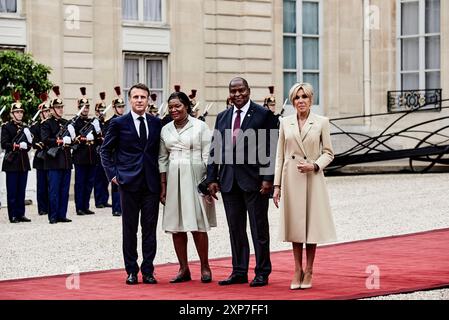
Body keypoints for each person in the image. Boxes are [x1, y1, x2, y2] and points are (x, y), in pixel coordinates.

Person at [206, 77, 278, 287]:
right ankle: (239, 271)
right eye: (233, 91)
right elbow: (215, 148)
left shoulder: (264, 115)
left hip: (255, 181)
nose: (237, 94)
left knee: (259, 229)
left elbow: (270, 148)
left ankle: (262, 272)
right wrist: (212, 178)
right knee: (235, 229)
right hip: (229, 181)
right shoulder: (222, 117)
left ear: (249, 90)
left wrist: (268, 178)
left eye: (241, 90)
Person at [273, 82, 336, 290]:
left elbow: (329, 152)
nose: (301, 101)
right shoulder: (285, 122)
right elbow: (280, 155)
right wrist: (277, 186)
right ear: (292, 101)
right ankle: (297, 269)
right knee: (295, 226)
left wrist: (315, 165)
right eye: (297, 98)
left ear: (311, 99)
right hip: (291, 177)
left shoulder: (321, 122)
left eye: (305, 97)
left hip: (312, 177)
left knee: (311, 226)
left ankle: (309, 269)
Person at [101, 83, 162, 285]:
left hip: (151, 185)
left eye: (143, 97)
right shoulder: (118, 123)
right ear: (130, 100)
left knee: (149, 229)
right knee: (129, 229)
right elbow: (105, 151)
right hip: (128, 183)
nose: (139, 100)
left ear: (148, 100)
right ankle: (131, 271)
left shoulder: (156, 123)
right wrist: (113, 175)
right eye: (135, 97)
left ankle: (148, 271)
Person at [159, 91, 216, 284]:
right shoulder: (165, 129)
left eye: (178, 106)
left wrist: (209, 181)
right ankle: (183, 268)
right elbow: (162, 158)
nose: (174, 110)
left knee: (198, 223)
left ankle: (205, 266)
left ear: (186, 106)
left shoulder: (200, 126)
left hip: (195, 175)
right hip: (173, 177)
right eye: (171, 107)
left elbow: (209, 154)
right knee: (176, 225)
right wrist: (163, 186)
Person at [41, 86, 74, 224]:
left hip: (66, 160)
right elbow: (45, 140)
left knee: (64, 190)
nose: (61, 109)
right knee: (54, 190)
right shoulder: (46, 124)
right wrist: (60, 141)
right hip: (54, 161)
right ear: (52, 110)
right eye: (58, 107)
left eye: (61, 107)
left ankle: (62, 214)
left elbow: (72, 141)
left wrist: (72, 137)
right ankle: (53, 216)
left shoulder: (66, 123)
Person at [1, 92, 33, 223]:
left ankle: (21, 213)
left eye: (21, 112)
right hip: (12, 162)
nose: (20, 114)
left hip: (23, 162)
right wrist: (18, 145)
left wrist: (27, 143)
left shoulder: (25, 127)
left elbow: (29, 145)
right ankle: (13, 215)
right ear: (12, 114)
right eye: (17, 112)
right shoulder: (6, 127)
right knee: (12, 190)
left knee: (21, 190)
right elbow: (4, 144)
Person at [72, 87, 99, 216]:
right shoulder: (74, 122)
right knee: (80, 183)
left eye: (87, 107)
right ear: (79, 108)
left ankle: (86, 205)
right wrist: (83, 138)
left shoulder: (92, 122)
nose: (86, 109)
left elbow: (98, 139)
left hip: (91, 156)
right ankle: (79, 207)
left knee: (89, 183)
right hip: (80, 157)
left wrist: (98, 132)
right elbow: (74, 139)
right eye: (83, 107)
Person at [102, 86, 126, 217]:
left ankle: (124, 206)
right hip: (115, 155)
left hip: (125, 157)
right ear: (114, 107)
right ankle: (116, 208)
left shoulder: (127, 120)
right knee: (116, 183)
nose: (121, 108)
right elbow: (107, 141)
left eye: (123, 106)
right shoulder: (109, 122)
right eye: (119, 106)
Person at [30, 93, 52, 216]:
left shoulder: (52, 124)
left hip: (51, 157)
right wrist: (39, 144)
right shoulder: (36, 126)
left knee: (51, 184)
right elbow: (32, 141)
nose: (47, 113)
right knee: (42, 185)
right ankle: (42, 208)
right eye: (45, 111)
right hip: (41, 157)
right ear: (41, 113)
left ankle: (50, 206)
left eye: (49, 110)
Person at [93, 92, 112, 209]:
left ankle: (104, 199)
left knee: (106, 178)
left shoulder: (107, 122)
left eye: (103, 110)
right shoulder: (94, 123)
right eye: (100, 110)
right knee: (98, 178)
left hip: (106, 154)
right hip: (97, 152)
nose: (102, 112)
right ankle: (98, 200)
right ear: (96, 112)